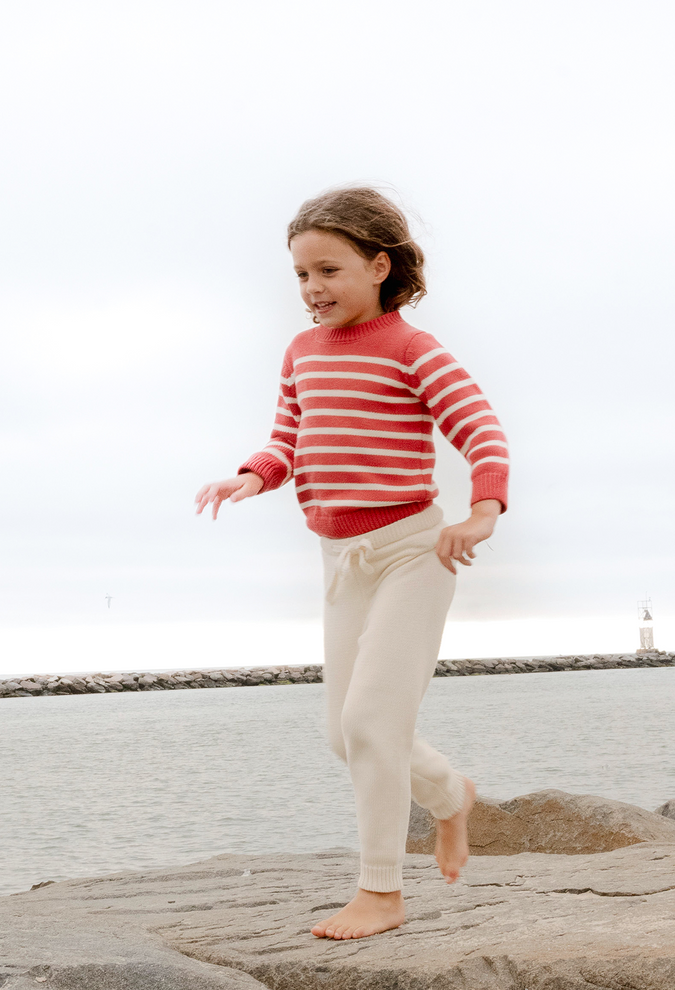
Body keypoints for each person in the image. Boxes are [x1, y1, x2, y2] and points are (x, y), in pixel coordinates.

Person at [194, 186, 509, 940]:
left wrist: (481, 511)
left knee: (371, 721)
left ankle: (380, 893)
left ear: (378, 266)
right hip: (340, 561)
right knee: (344, 733)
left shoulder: (413, 350)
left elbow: (481, 430)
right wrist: (252, 475)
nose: (312, 290)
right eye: (301, 276)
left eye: (328, 271)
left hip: (412, 551)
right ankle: (449, 796)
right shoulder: (300, 353)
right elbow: (287, 438)